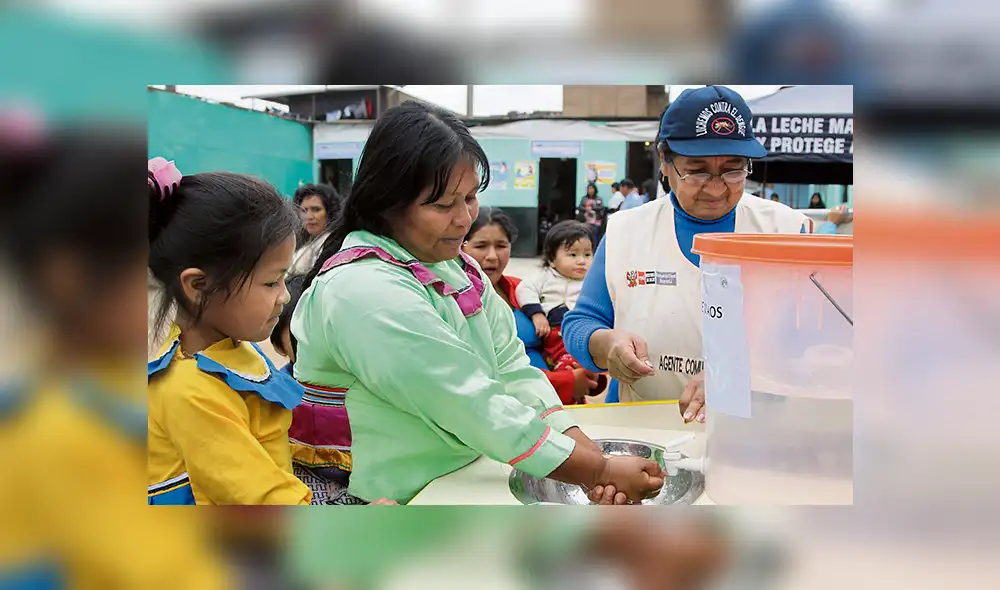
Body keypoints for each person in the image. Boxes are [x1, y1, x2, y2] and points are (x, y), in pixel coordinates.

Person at [291, 100, 663, 504]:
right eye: (443, 204)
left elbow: (511, 368)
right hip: (384, 497)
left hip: (454, 478)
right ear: (387, 203)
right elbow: (465, 399)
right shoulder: (362, 290)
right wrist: (599, 470)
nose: (465, 218)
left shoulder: (454, 267)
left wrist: (587, 453)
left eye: (470, 197)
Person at [0, 124, 228, 586]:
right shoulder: (65, 436)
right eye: (142, 271)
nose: (161, 295)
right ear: (67, 276)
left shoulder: (101, 388)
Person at [563, 85, 843, 414]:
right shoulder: (627, 231)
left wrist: (742, 374)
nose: (715, 187)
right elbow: (582, 322)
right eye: (697, 171)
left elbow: (820, 340)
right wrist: (605, 344)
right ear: (665, 162)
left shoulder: (787, 230)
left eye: (733, 169)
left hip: (759, 422)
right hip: (646, 419)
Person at [147, 158, 312, 505]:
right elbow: (262, 498)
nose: (284, 295)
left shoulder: (226, 350)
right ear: (199, 286)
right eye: (271, 282)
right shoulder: (191, 392)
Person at [463, 208, 605, 406]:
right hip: (517, 410)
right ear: (461, 247)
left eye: (501, 245)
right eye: (481, 246)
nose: (492, 256)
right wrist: (567, 382)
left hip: (562, 407)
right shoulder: (460, 304)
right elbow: (487, 374)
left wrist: (585, 376)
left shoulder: (519, 289)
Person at [268, 275, 365, 505]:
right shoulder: (275, 393)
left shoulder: (363, 379)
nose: (316, 346)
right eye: (300, 338)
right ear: (278, 344)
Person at [517, 221, 595, 382]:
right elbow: (524, 289)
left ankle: (579, 381)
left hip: (580, 331)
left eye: (587, 255)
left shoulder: (591, 281)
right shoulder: (545, 276)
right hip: (552, 331)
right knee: (564, 364)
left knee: (579, 361)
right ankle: (570, 383)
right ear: (552, 259)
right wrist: (537, 314)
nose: (582, 261)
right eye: (573, 255)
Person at [290, 183, 342, 275]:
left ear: (329, 212)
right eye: (304, 210)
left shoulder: (332, 244)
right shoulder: (300, 240)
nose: (309, 216)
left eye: (316, 209)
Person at [576, 182, 606, 247]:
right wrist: (586, 209)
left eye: (591, 189)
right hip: (586, 221)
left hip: (596, 221)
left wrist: (592, 208)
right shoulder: (584, 198)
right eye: (588, 189)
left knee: (595, 237)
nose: (590, 190)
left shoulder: (598, 199)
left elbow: (601, 207)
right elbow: (580, 207)